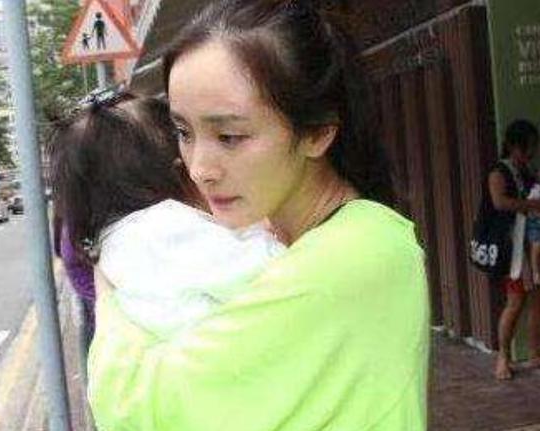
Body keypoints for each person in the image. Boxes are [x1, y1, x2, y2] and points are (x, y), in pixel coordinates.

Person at [88, 1, 429, 430]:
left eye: (229, 136)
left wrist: (109, 293)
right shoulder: (277, 240)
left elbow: (139, 409)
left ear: (318, 131)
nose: (199, 168)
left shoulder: (355, 253)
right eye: (183, 132)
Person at [48, 90, 286, 340]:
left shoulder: (114, 242)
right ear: (174, 169)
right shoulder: (163, 227)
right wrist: (267, 231)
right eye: (184, 137)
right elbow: (260, 271)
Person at [486, 119, 540, 380]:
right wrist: (532, 205)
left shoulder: (526, 172)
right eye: (525, 148)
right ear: (512, 146)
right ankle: (503, 357)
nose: (529, 153)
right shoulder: (499, 172)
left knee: (535, 301)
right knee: (515, 302)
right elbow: (499, 202)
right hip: (513, 250)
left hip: (530, 245)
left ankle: (535, 353)